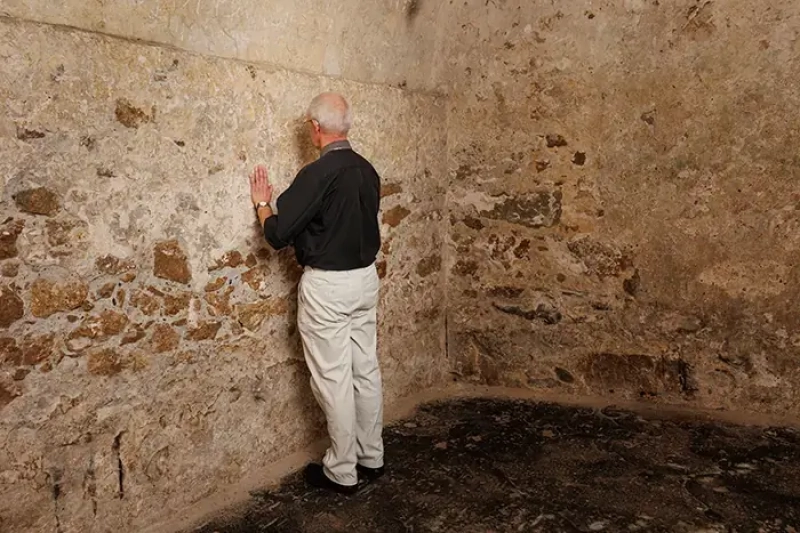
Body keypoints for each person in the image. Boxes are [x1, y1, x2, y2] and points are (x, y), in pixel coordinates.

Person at [248, 93, 385, 494]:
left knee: (334, 379)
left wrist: (261, 203)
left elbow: (277, 234)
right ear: (348, 125)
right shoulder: (367, 170)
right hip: (365, 280)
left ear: (315, 128)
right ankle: (371, 456)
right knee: (366, 371)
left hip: (329, 286)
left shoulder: (318, 174)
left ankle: (342, 470)